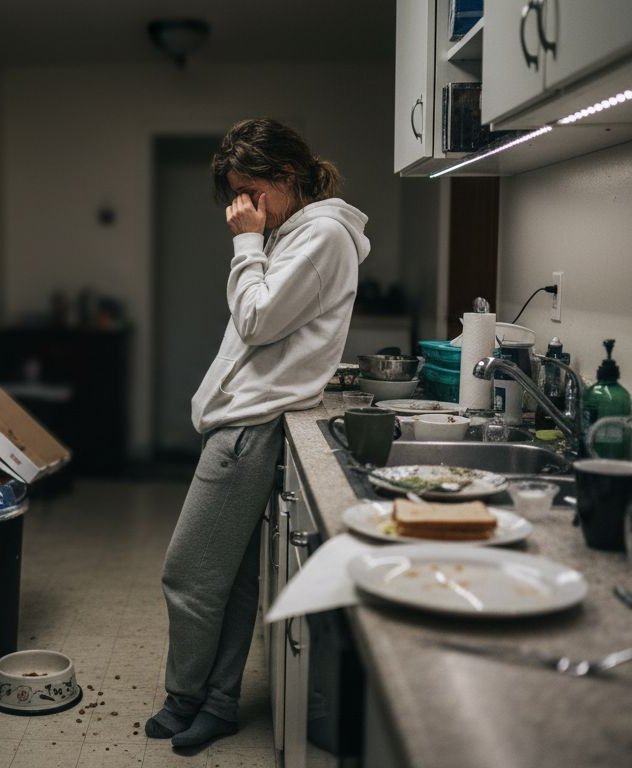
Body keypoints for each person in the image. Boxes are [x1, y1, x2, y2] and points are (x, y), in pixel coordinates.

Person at [147, 118, 370, 749]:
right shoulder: (298, 230)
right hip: (248, 421)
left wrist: (245, 245)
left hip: (246, 430)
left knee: (187, 575)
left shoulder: (321, 235)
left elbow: (258, 319)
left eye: (252, 192)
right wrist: (256, 238)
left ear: (287, 177)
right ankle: (216, 704)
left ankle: (185, 697)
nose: (242, 209)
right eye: (235, 197)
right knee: (234, 581)